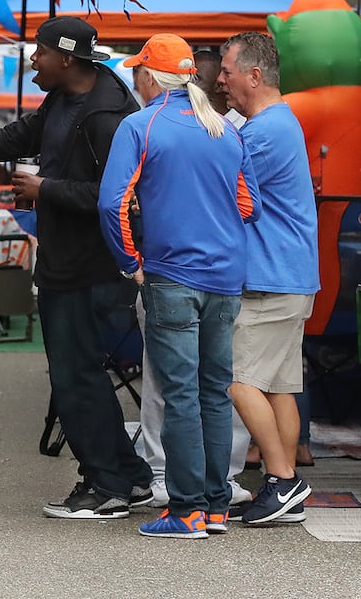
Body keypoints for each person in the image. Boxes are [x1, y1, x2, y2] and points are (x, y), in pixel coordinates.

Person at [0, 15, 151, 520]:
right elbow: (12, 139)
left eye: (39, 53)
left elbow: (120, 197)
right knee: (77, 374)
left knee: (75, 376)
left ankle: (107, 487)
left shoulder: (107, 115)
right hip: (65, 261)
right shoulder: (65, 98)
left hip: (90, 268)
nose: (32, 60)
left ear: (66, 59)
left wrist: (47, 190)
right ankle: (130, 477)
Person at [99, 33, 261, 540]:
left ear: (149, 76)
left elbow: (111, 204)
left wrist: (131, 263)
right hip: (226, 278)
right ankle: (215, 507)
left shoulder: (140, 125)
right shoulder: (225, 129)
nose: (135, 79)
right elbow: (248, 205)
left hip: (172, 275)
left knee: (179, 395)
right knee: (215, 392)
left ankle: (186, 509)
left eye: (138, 71)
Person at [218, 30, 316, 526]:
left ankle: (282, 481)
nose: (219, 80)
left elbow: (228, 195)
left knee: (234, 378)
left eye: (227, 72)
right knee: (277, 386)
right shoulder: (281, 123)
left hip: (271, 277)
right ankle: (285, 488)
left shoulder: (262, 132)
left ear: (255, 76)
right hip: (289, 275)